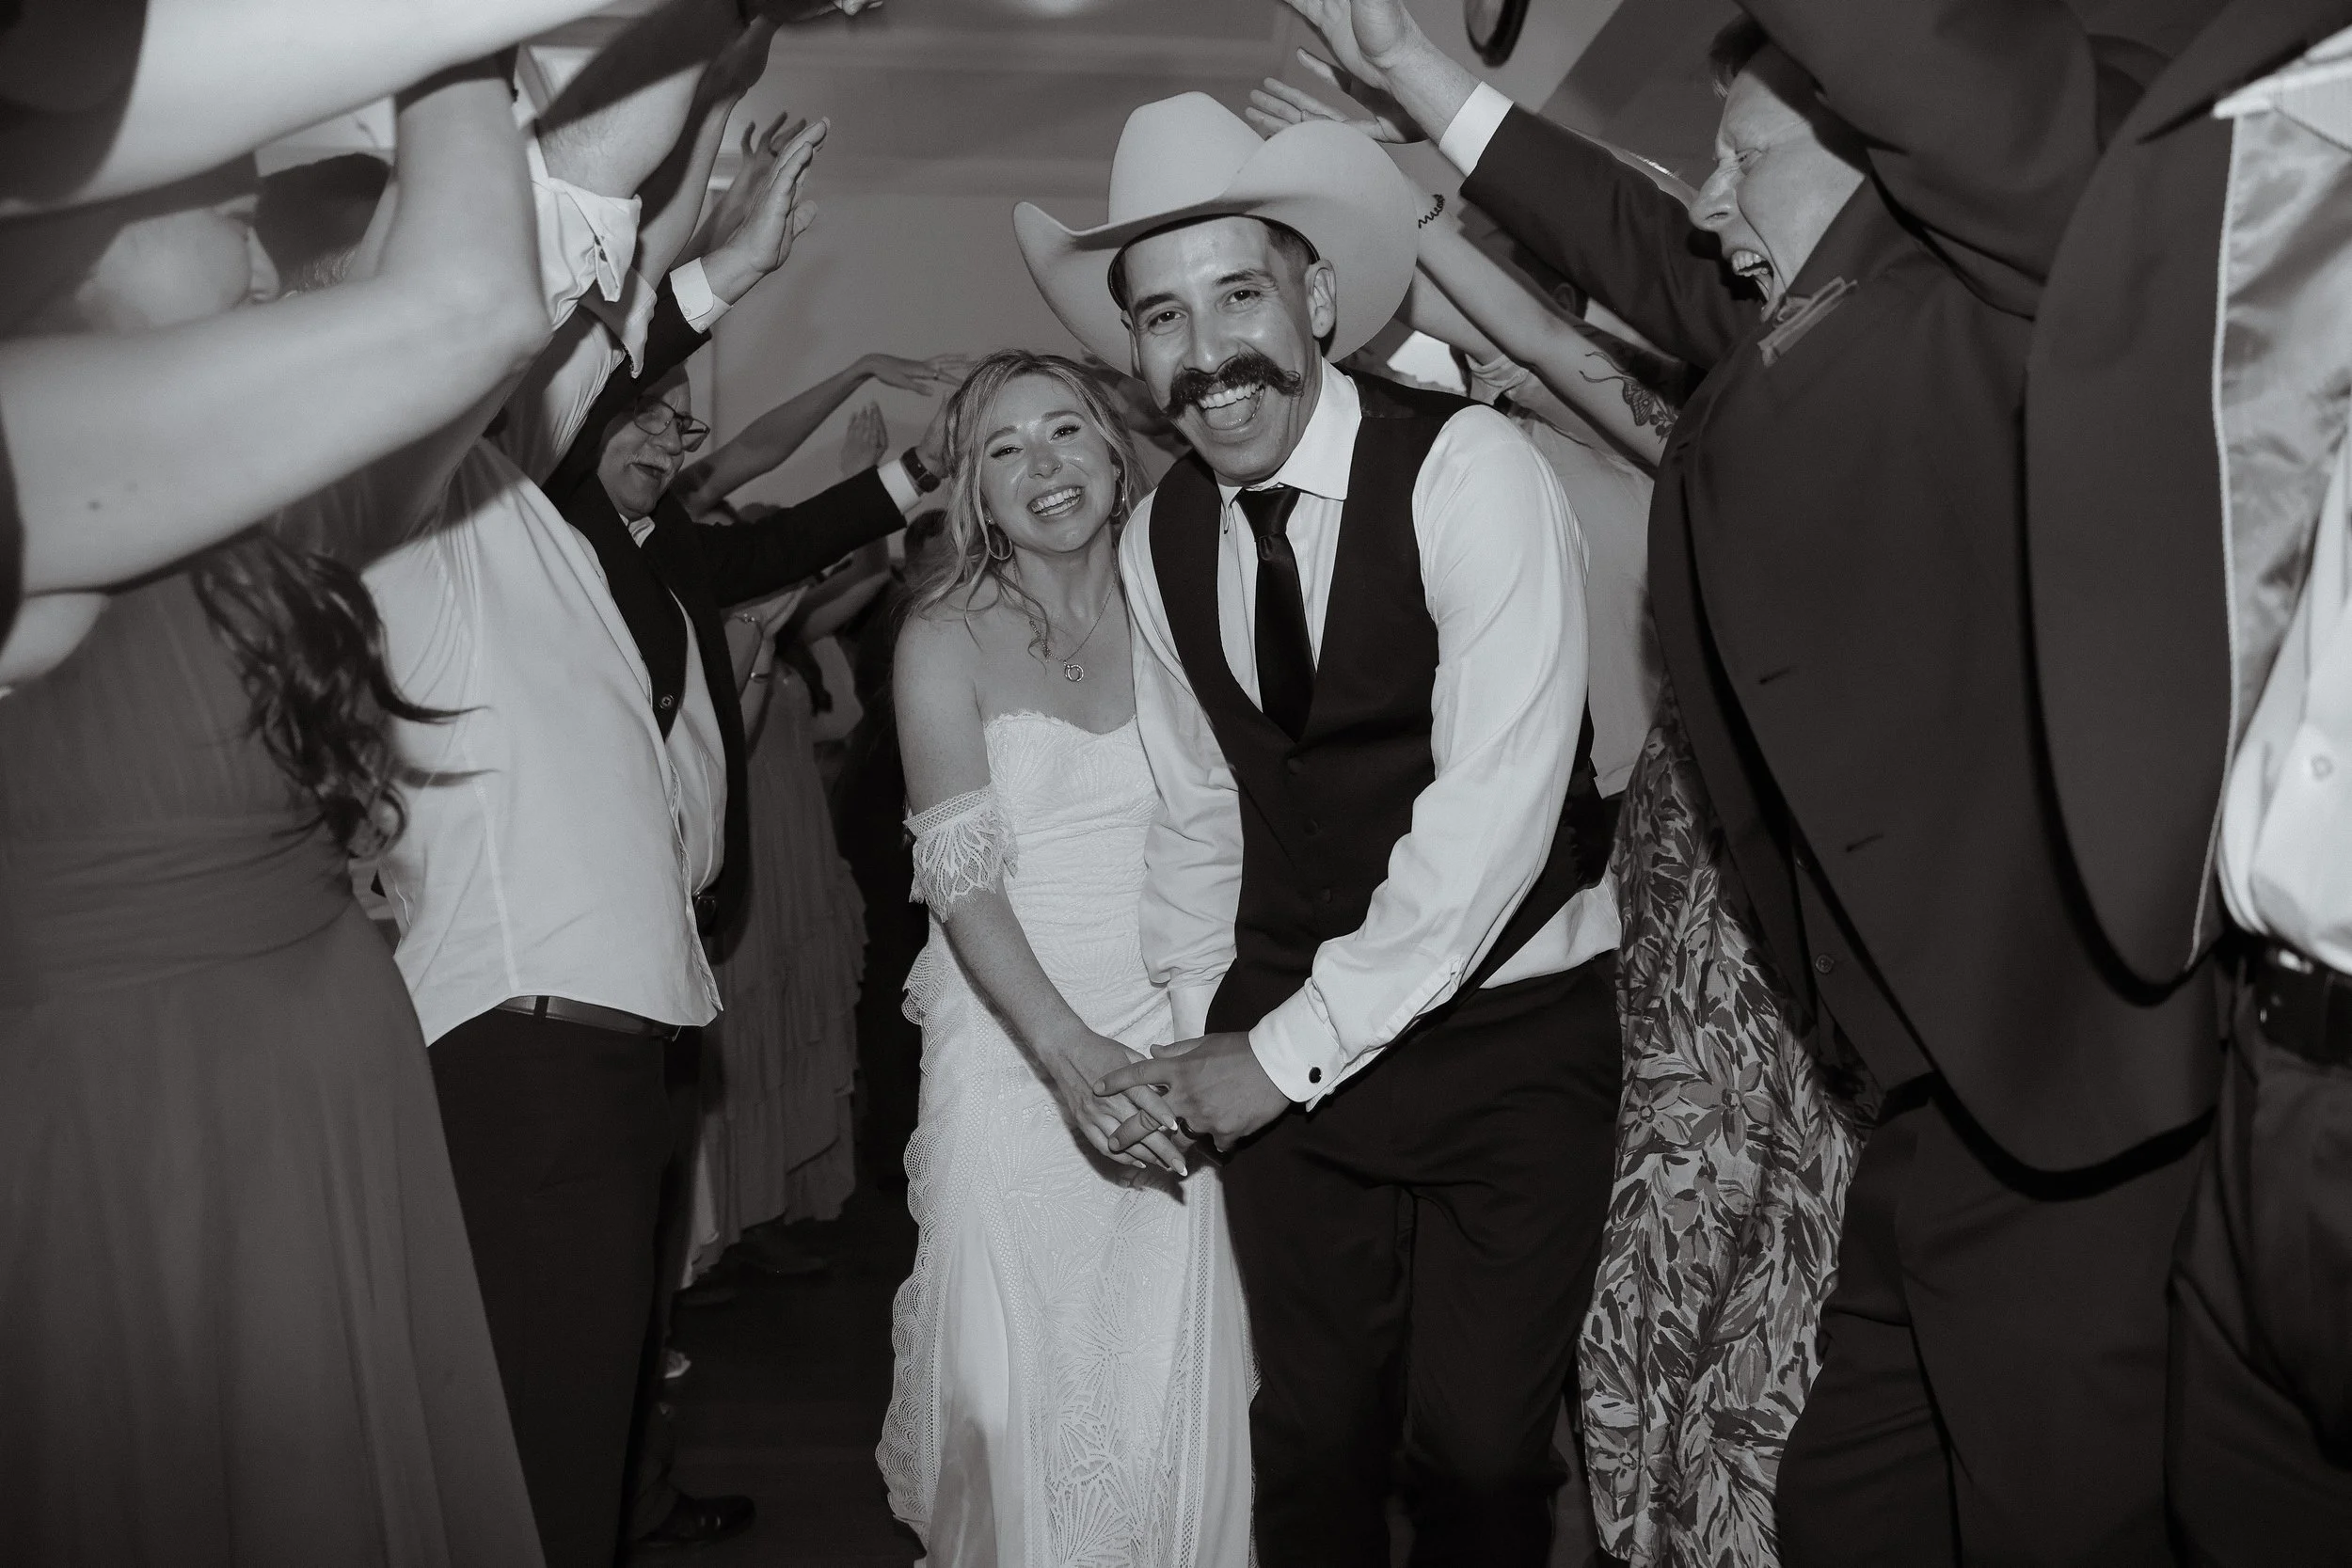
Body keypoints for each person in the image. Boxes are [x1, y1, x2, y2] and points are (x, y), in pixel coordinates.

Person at [1261, 0, 2240, 1560]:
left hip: (2064, 1085)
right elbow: (1651, 257)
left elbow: (1940, 100)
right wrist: (1425, 80)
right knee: (1847, 1500)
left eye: (1746, 158)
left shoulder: (2011, 272)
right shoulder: (1833, 316)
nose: (1710, 201)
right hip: (1921, 1088)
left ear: (1888, 164)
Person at [1020, 94, 1622, 1564]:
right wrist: (1194, 1038)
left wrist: (1273, 1061)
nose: (1208, 352)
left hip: (1509, 1037)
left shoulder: (1474, 474)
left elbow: (1492, 818)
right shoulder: (1161, 539)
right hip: (1285, 1032)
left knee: (1481, 1459)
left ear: (1321, 301)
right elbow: (1201, 806)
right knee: (1313, 1441)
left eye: (1240, 294)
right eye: (1163, 316)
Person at [0, 58, 551, 1568]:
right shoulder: (23, 429)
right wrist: (465, 44)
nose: (262, 257)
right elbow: (470, 309)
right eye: (226, 217)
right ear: (67, 242)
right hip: (141, 1134)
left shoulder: (230, 505)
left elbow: (510, 288)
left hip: (313, 1104)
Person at [876, 348, 1253, 1566]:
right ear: (974, 494)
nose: (1044, 466)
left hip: (1179, 1030)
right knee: (1012, 1385)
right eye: (1004, 449)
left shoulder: (1194, 599)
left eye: (1066, 432)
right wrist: (1067, 1054)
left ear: (1114, 447)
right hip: (1015, 1039)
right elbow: (960, 871)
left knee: (1161, 1388)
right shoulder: (943, 638)